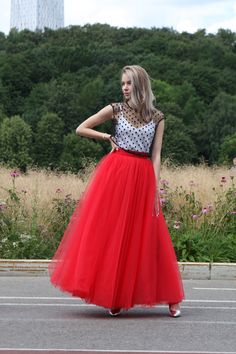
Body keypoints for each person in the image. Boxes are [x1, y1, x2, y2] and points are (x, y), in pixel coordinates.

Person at [49, 65, 184, 317]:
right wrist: (106, 137)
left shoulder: (157, 117)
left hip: (143, 174)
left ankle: (173, 298)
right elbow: (81, 128)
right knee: (113, 233)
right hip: (116, 173)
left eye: (129, 83)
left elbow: (156, 154)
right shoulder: (116, 109)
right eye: (122, 83)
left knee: (149, 233)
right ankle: (116, 296)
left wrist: (154, 187)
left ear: (141, 85)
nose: (124, 87)